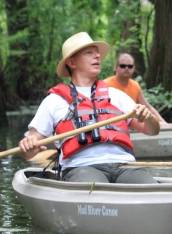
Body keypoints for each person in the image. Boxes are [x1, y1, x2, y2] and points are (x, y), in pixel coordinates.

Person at [18, 32, 160, 183]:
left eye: (97, 53)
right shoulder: (53, 101)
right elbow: (27, 153)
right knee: (97, 189)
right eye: (89, 53)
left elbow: (153, 130)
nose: (97, 56)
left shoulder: (116, 95)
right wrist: (27, 147)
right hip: (81, 167)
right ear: (72, 63)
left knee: (151, 188)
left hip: (124, 166)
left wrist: (149, 117)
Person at [104, 53, 172, 128]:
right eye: (123, 66)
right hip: (113, 125)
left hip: (133, 123)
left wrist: (164, 123)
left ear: (134, 68)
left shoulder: (135, 85)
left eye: (130, 66)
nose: (126, 68)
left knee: (162, 126)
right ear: (116, 67)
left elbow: (148, 107)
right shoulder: (105, 85)